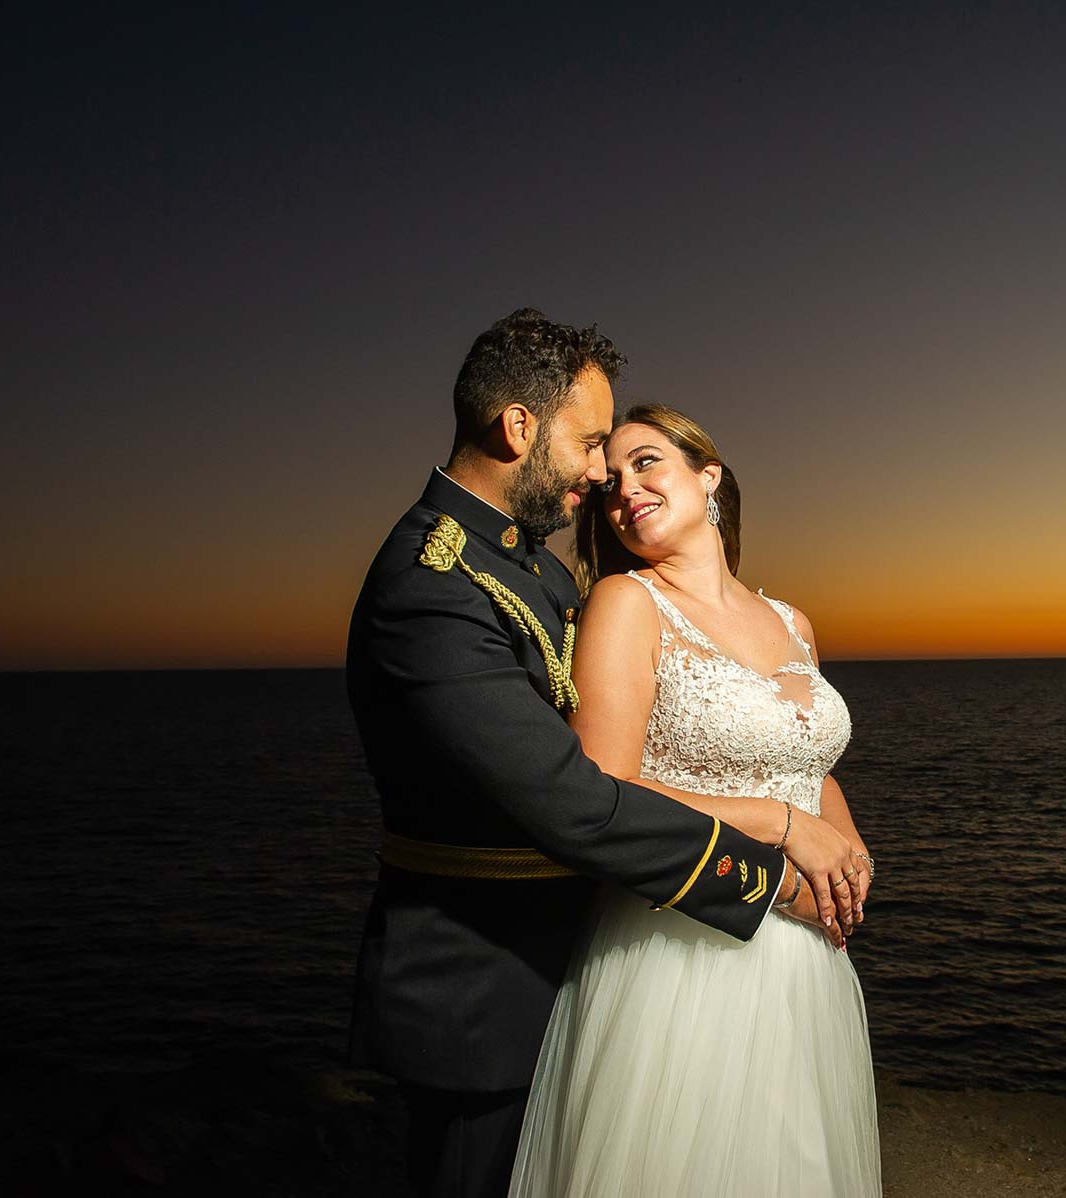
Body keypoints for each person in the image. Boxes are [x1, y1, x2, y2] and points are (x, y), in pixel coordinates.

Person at [345, 311, 863, 1198]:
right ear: (518, 429)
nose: (601, 474)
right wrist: (773, 862)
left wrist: (830, 842)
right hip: (483, 980)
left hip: (566, 944)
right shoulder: (432, 586)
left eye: (629, 457)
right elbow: (571, 795)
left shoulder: (532, 570)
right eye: (591, 444)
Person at [507, 404, 881, 1197]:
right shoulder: (626, 604)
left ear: (709, 476)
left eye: (647, 462)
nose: (625, 491)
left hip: (803, 957)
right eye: (610, 482)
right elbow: (603, 784)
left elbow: (811, 758)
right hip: (683, 953)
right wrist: (784, 827)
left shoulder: (791, 620)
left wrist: (845, 855)